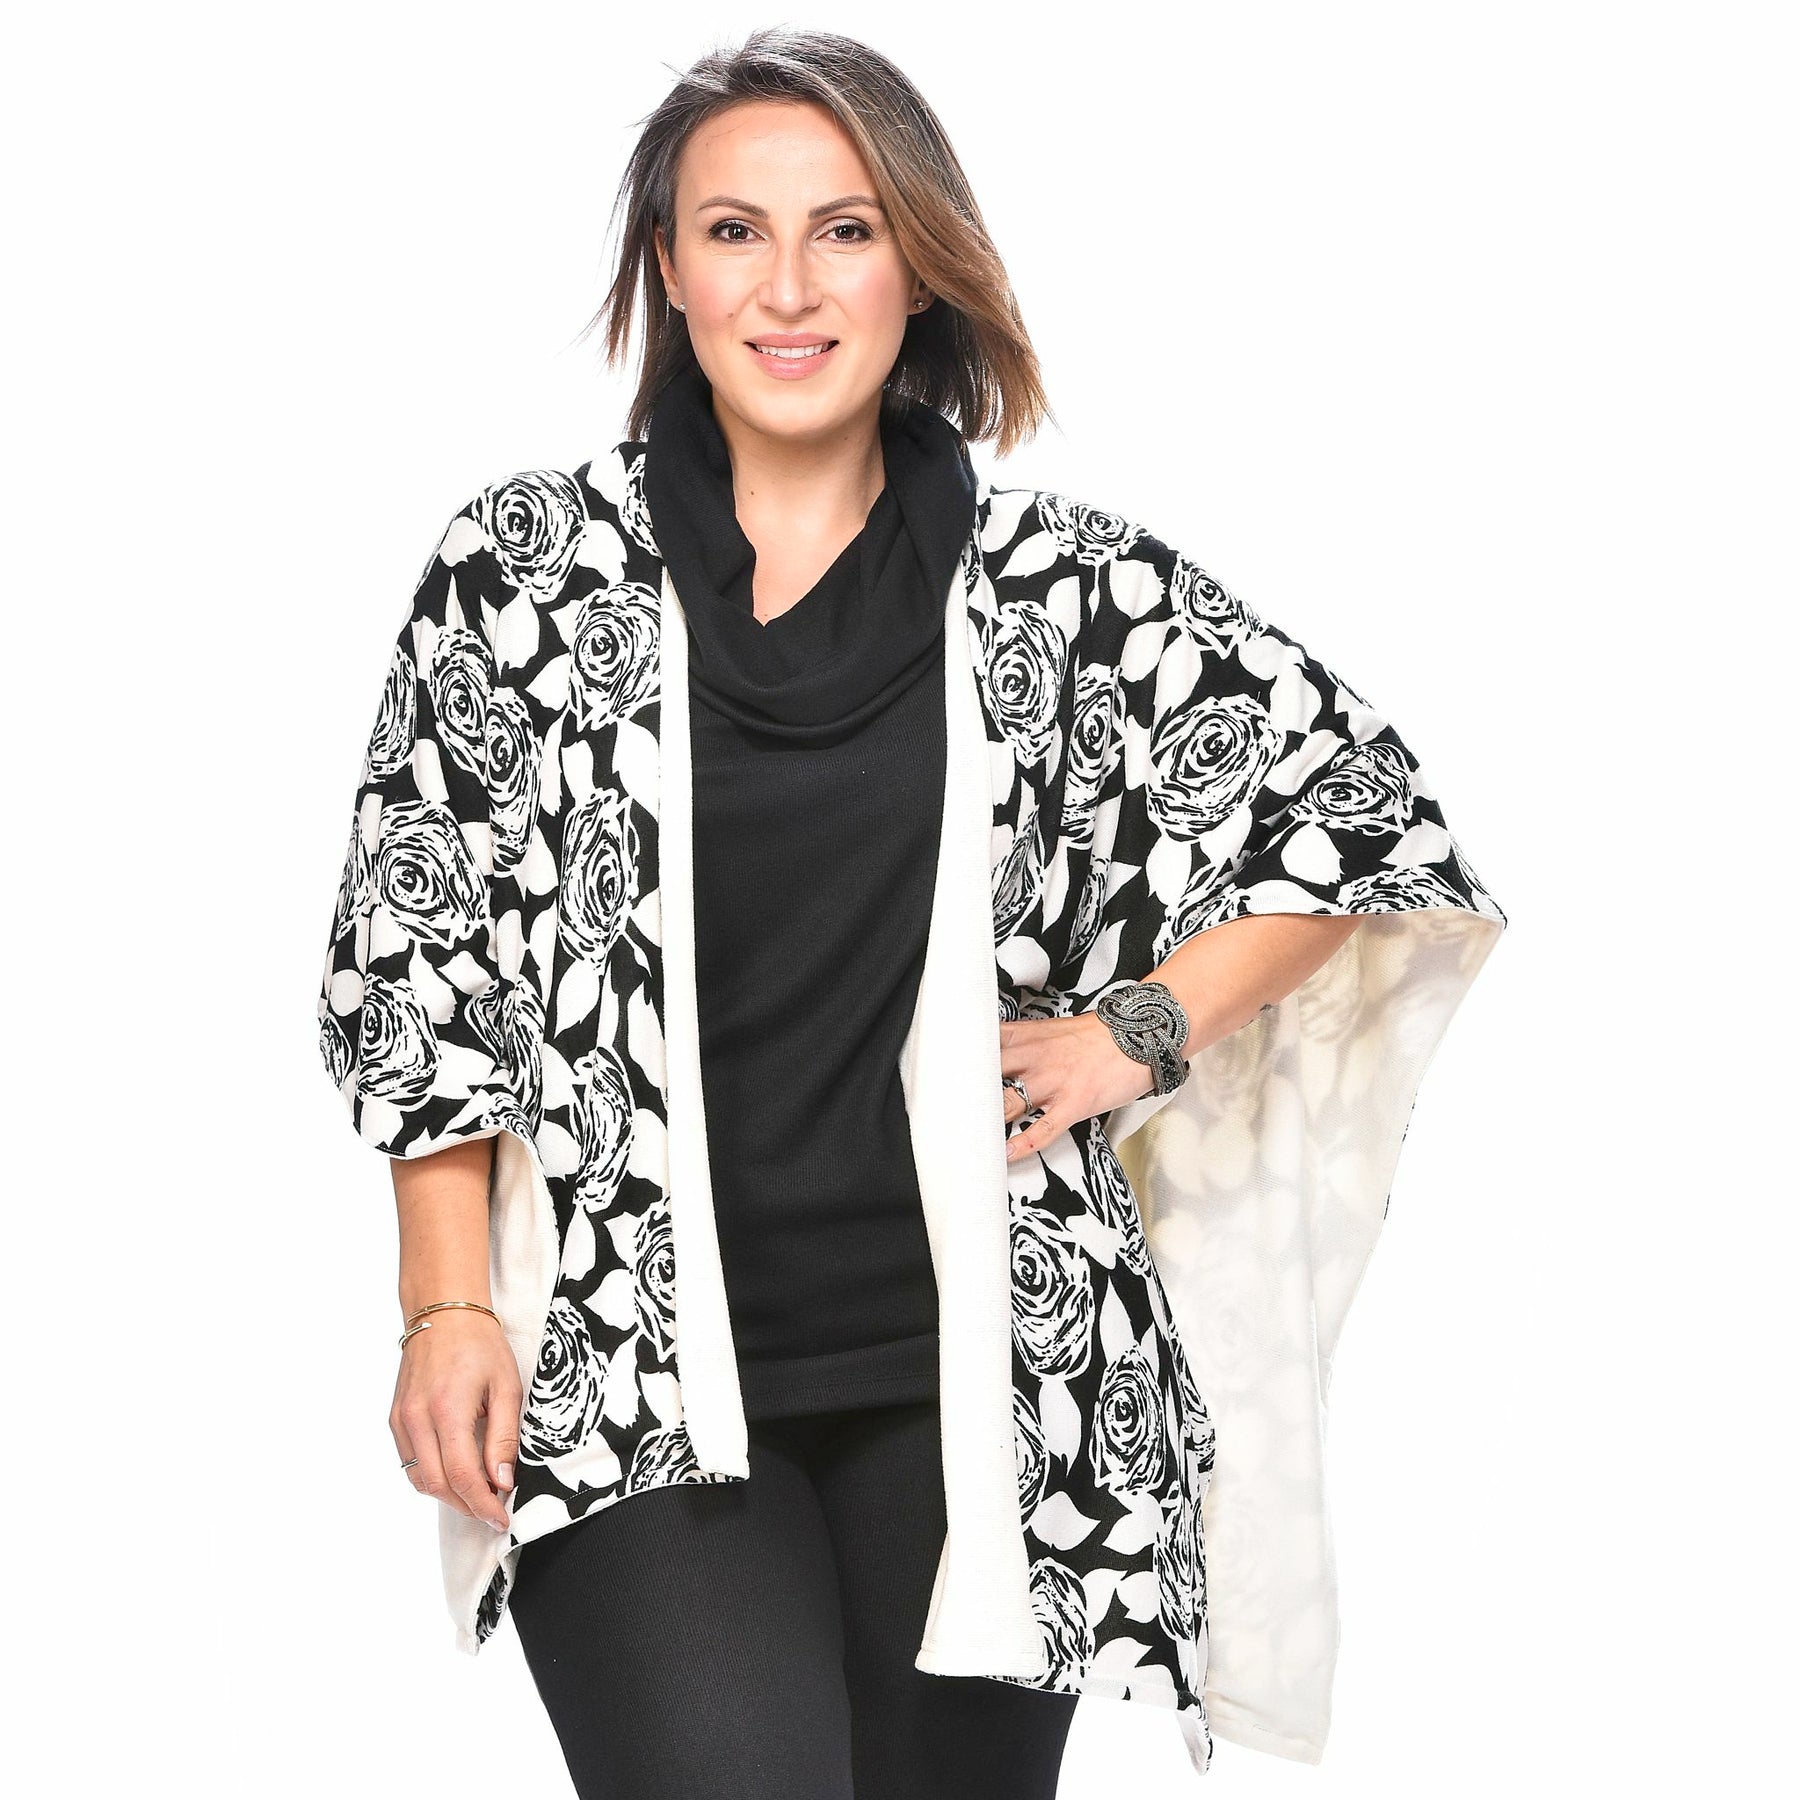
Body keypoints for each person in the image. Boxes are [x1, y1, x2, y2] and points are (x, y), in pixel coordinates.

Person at [314, 26, 1506, 1800]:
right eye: (734, 232)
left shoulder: (1063, 589)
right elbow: (425, 966)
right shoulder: (525, 576)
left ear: (919, 265)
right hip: (632, 1372)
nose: (789, 287)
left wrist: (1136, 1033)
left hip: (988, 1388)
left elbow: (1360, 820)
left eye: (847, 230)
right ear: (670, 270)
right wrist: (445, 1308)